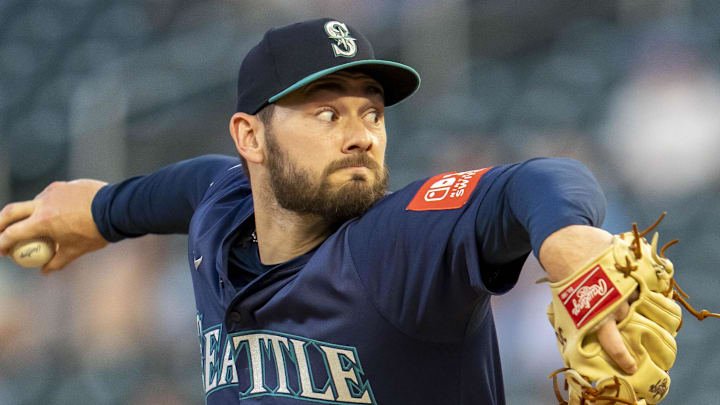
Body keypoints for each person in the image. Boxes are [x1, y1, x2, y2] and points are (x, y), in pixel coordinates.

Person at [0, 18, 638, 404]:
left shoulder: (398, 245)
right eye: (327, 113)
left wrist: (562, 234)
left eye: (372, 112)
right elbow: (186, 186)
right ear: (250, 138)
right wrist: (101, 211)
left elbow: (539, 180)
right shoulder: (222, 209)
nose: (361, 134)